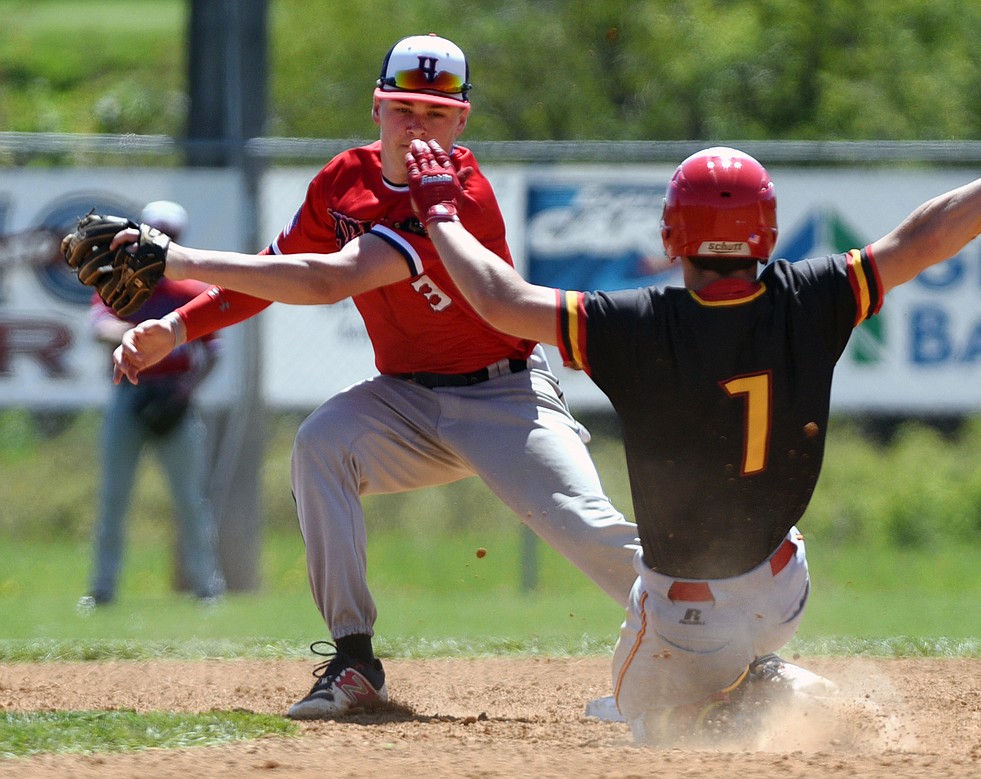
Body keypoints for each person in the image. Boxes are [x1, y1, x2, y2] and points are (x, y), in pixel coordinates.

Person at [401, 108, 981, 745]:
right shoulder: (810, 297)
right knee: (719, 643)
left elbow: (499, 299)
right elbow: (925, 238)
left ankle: (762, 695)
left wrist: (439, 213)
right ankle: (755, 671)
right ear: (766, 231)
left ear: (671, 235)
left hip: (691, 615)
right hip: (784, 585)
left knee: (642, 715)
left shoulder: (637, 324)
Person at [107, 34, 640, 719]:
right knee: (321, 442)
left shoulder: (460, 197)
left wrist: (176, 259)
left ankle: (716, 643)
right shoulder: (343, 182)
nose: (418, 126)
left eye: (436, 113)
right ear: (376, 108)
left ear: (462, 122)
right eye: (403, 109)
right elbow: (274, 270)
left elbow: (330, 280)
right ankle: (355, 661)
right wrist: (178, 327)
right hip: (406, 400)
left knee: (585, 525)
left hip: (504, 394)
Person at [80, 200, 224, 608]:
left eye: (169, 236)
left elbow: (214, 350)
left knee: (190, 499)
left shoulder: (189, 289)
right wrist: (141, 332)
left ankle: (207, 589)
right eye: (156, 234)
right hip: (130, 392)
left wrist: (188, 390)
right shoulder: (122, 284)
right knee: (114, 496)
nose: (162, 242)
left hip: (174, 394)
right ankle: (102, 590)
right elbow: (98, 326)